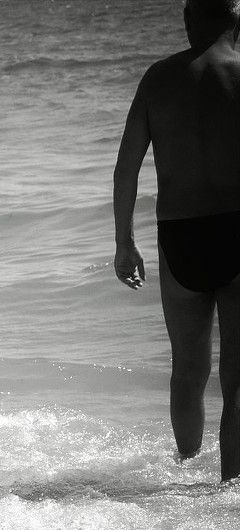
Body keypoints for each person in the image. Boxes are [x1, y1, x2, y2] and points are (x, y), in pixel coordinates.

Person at [113, 0, 240, 482]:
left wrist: (124, 243)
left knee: (187, 369)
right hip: (236, 228)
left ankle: (186, 472)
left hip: (180, 236)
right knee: (238, 379)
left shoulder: (158, 79)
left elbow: (127, 167)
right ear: (237, 19)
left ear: (189, 19)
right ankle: (229, 491)